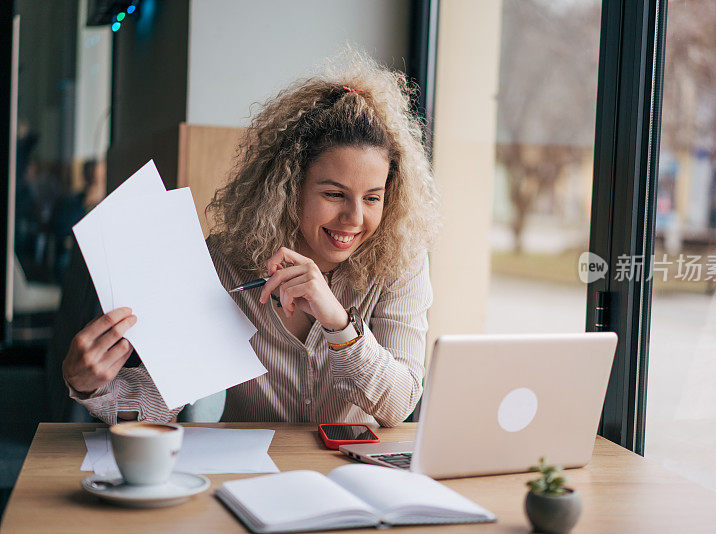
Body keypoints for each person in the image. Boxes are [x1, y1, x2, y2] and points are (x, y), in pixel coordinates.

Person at [61, 53, 440, 427]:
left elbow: (398, 403)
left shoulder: (399, 263)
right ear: (291, 186)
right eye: (334, 194)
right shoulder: (225, 264)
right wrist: (90, 387)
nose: (355, 219)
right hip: (250, 472)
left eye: (372, 198)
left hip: (352, 472)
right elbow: (156, 407)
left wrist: (338, 322)